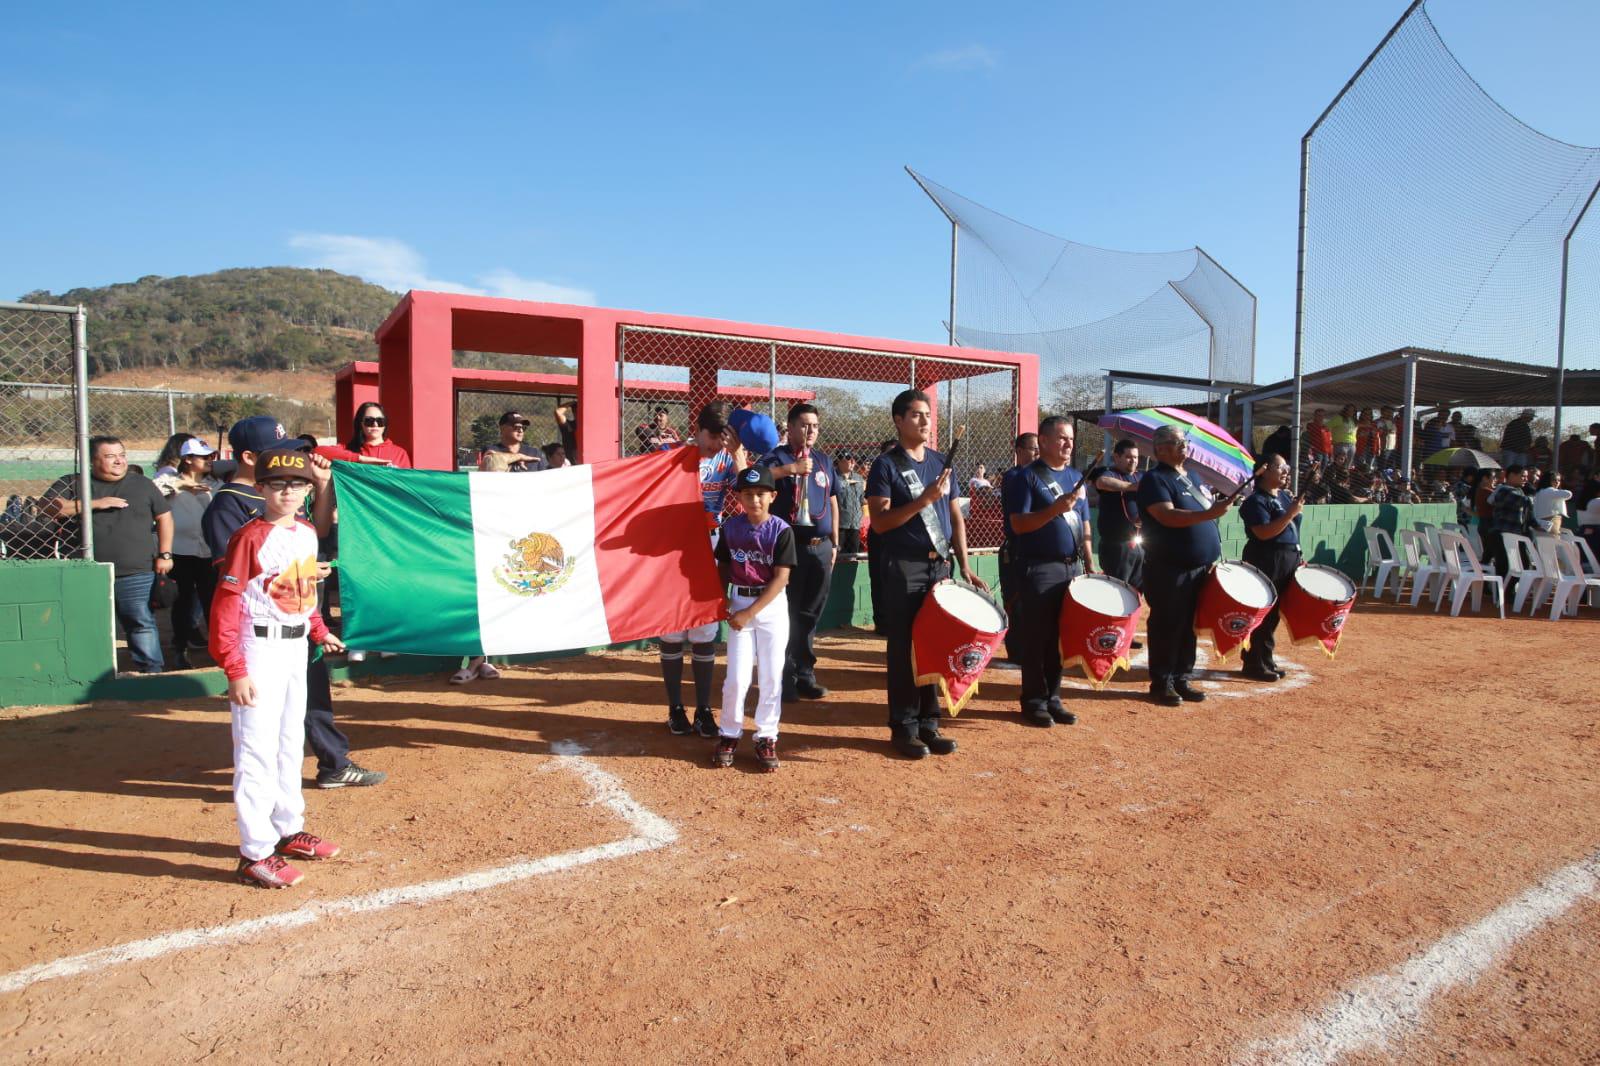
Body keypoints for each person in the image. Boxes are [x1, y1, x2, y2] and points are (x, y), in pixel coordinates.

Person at [204, 416, 386, 790]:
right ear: (252, 459)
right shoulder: (228, 506)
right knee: (261, 728)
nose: (289, 479)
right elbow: (239, 585)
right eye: (279, 458)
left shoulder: (291, 506)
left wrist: (320, 487)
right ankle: (264, 800)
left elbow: (313, 532)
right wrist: (234, 665)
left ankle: (322, 770)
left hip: (299, 619)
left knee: (304, 704)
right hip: (259, 632)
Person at [210, 445, 347, 888]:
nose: (287, 491)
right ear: (261, 487)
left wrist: (319, 629)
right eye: (277, 483)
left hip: (293, 649)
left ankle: (288, 829)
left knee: (290, 742)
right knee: (256, 750)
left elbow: (301, 590)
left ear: (308, 489)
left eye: (297, 483)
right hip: (258, 648)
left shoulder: (307, 532)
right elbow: (227, 605)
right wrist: (235, 669)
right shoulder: (250, 537)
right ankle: (254, 853)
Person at [865, 389, 987, 759]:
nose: (924, 421)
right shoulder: (885, 466)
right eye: (915, 415)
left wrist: (964, 563)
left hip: (940, 565)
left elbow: (955, 518)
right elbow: (881, 523)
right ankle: (903, 727)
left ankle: (929, 723)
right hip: (904, 566)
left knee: (935, 643)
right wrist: (922, 501)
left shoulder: (940, 463)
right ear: (898, 421)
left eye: (927, 415)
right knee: (904, 647)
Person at [40, 437, 174, 673]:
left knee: (141, 623)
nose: (119, 460)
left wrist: (165, 553)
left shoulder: (141, 483)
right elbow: (48, 507)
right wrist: (95, 503)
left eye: (121, 454)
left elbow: (165, 517)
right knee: (92, 624)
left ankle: (152, 672)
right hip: (89, 571)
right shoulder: (75, 482)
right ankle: (92, 673)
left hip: (137, 570)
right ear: (92, 460)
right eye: (110, 456)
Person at [1136, 423, 1238, 707]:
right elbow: (1167, 517)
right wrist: (1209, 513)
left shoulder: (1190, 475)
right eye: (1180, 443)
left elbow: (1202, 509)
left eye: (1185, 442)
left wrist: (1215, 507)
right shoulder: (1155, 480)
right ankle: (1162, 682)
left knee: (1188, 626)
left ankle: (1182, 677)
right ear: (1161, 449)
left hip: (1197, 567)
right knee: (1168, 624)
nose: (1186, 447)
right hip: (1169, 567)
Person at [1003, 415, 1092, 728]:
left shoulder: (1076, 476)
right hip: (1039, 566)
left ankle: (1054, 697)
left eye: (1071, 438)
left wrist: (1090, 562)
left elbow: (1084, 523)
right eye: (1061, 438)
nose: (1068, 444)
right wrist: (1055, 508)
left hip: (1072, 565)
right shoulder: (1025, 478)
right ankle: (1034, 700)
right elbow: (1018, 524)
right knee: (1037, 637)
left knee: (1061, 637)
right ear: (1043, 441)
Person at [658, 403, 739, 737]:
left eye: (723, 439)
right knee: (672, 631)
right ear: (698, 428)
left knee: (705, 633)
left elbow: (748, 488)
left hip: (709, 544)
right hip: (671, 548)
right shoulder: (670, 454)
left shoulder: (726, 458)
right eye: (712, 437)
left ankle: (704, 709)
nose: (716, 445)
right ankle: (675, 707)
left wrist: (739, 455)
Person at [712, 465, 796, 771]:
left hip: (769, 606)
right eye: (748, 494)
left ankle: (766, 736)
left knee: (772, 675)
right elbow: (722, 565)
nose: (755, 500)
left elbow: (781, 578)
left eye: (761, 494)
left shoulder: (781, 530)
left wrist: (749, 612)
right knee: (736, 677)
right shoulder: (731, 528)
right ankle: (729, 733)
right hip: (740, 601)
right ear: (740, 498)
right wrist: (722, 598)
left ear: (772, 496)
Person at [760, 403, 839, 702]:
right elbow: (757, 478)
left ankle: (805, 673)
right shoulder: (776, 456)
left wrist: (835, 542)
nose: (810, 431)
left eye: (815, 426)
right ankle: (781, 676)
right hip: (788, 547)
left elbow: (833, 500)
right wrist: (790, 469)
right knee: (786, 613)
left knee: (809, 614)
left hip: (820, 548)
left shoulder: (823, 460)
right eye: (804, 425)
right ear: (790, 428)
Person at [154, 438, 221, 668]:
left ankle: (219, 649)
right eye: (204, 457)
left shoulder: (214, 482)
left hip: (207, 552)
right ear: (188, 460)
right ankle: (179, 649)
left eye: (211, 456)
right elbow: (152, 493)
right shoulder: (168, 479)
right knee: (183, 602)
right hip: (180, 551)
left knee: (213, 602)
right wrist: (182, 486)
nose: (210, 461)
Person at [1238, 455, 1303, 683]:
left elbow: (1292, 528)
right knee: (1263, 614)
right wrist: (1290, 514)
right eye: (1280, 467)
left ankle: (1265, 657)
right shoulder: (1255, 501)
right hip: (1266, 559)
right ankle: (1254, 662)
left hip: (1288, 558)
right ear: (1264, 470)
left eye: (1287, 466)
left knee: (1275, 614)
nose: (1286, 471)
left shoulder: (1284, 497)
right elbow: (1263, 533)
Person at [996, 433, 1040, 666]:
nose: (1037, 453)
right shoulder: (1015, 476)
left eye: (1039, 448)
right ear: (1019, 450)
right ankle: (1017, 650)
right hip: (1017, 548)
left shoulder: (1040, 475)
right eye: (1033, 449)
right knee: (1016, 601)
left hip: (1039, 551)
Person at [1093, 439, 1144, 591]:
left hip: (1140, 544)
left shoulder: (1140, 476)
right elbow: (1102, 482)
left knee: (1136, 592)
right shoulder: (1109, 473)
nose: (1133, 461)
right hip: (1116, 546)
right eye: (1128, 457)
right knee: (1117, 591)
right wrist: (1132, 487)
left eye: (1135, 457)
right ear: (1116, 457)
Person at [1483, 465, 1533, 580]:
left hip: (1514, 535)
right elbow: (1526, 502)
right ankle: (1500, 594)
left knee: (1522, 565)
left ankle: (1507, 591)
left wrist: (1537, 524)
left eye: (1526, 477)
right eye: (1523, 476)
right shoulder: (1504, 491)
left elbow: (1526, 513)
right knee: (1504, 566)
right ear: (1511, 476)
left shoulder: (1519, 491)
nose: (1526, 479)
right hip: (1501, 535)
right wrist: (1535, 493)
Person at [344, 402, 412, 467]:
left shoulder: (399, 453)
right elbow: (332, 453)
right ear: (360, 424)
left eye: (380, 421)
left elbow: (406, 478)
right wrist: (360, 458)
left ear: (385, 424)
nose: (375, 424)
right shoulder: (349, 450)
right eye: (369, 421)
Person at [484, 411, 549, 471]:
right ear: (503, 428)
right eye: (516, 427)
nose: (521, 431)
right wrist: (519, 457)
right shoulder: (492, 450)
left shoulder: (534, 453)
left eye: (523, 428)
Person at [835, 451, 866, 554]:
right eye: (849, 459)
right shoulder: (833, 477)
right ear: (839, 461)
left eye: (854, 459)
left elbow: (862, 499)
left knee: (853, 554)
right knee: (838, 554)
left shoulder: (859, 478)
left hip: (855, 524)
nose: (853, 462)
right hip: (839, 524)